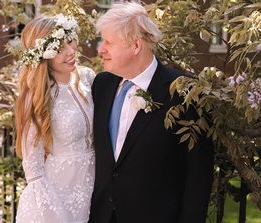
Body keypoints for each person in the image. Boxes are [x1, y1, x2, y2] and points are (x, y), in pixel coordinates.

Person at [89, 2, 214, 223]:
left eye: (109, 42)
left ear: (136, 46)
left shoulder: (185, 92)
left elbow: (198, 176)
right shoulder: (102, 85)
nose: (101, 49)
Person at [15, 14, 96, 223]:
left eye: (70, 42)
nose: (70, 52)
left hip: (97, 183)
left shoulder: (88, 77)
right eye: (59, 49)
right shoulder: (36, 97)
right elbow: (33, 169)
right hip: (60, 193)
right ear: (44, 55)